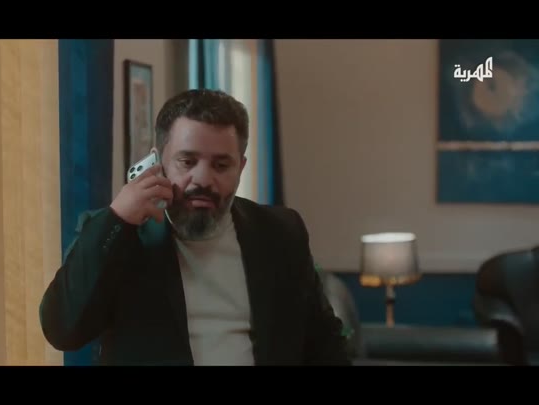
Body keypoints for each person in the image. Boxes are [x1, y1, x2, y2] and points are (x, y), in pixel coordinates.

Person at [39, 89, 351, 365]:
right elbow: (63, 331)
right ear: (158, 161)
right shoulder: (120, 233)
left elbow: (324, 344)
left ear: (241, 167)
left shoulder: (280, 232)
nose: (203, 179)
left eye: (221, 165)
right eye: (187, 162)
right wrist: (117, 218)